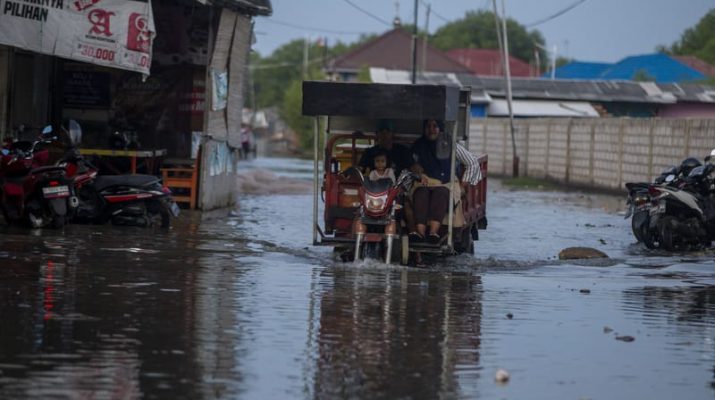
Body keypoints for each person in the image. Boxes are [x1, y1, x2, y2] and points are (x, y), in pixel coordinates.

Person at [409, 119, 482, 244]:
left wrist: (463, 184)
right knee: (420, 194)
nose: (431, 129)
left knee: (441, 193)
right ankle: (420, 234)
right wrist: (416, 168)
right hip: (425, 183)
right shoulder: (418, 145)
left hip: (446, 183)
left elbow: (472, 162)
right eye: (428, 126)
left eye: (435, 126)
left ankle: (433, 233)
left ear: (440, 129)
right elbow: (410, 164)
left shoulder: (450, 144)